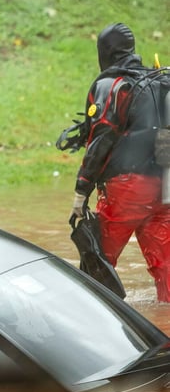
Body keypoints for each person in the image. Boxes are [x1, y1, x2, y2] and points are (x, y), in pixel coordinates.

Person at [69, 23, 170, 301]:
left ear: (104, 52)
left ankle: (94, 328)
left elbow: (101, 141)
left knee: (97, 263)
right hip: (164, 190)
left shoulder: (109, 85)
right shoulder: (159, 80)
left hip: (127, 191)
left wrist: (81, 191)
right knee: (166, 270)